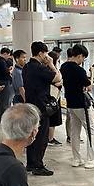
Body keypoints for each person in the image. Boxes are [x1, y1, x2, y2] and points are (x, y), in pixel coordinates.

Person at [61, 44, 94, 169]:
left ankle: (76, 158)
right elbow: (89, 86)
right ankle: (91, 159)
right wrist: (92, 73)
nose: (82, 61)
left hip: (70, 103)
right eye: (83, 58)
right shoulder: (79, 70)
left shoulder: (64, 67)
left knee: (75, 131)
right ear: (79, 55)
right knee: (91, 130)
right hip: (81, 104)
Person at [24, 42, 62, 176]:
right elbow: (58, 77)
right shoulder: (39, 68)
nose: (47, 56)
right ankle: (38, 166)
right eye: (45, 53)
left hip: (30, 106)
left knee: (32, 136)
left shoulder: (27, 66)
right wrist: (51, 64)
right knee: (41, 137)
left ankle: (30, 163)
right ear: (40, 53)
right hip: (41, 107)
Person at [48, 50, 64, 146]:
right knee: (52, 118)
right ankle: (50, 138)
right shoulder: (51, 70)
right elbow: (57, 81)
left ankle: (49, 137)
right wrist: (59, 83)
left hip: (53, 96)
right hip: (52, 97)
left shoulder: (48, 68)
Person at [0, 48, 14, 122]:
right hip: (4, 83)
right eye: (8, 55)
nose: (8, 57)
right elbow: (5, 72)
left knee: (1, 102)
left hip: (0, 82)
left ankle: (0, 117)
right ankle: (3, 119)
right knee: (5, 102)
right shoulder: (2, 62)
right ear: (4, 53)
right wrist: (10, 70)